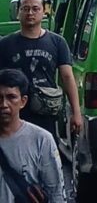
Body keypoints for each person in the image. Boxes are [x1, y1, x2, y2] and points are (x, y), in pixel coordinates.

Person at [0, 0, 82, 140]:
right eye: (25, 9)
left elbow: (67, 77)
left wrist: (76, 113)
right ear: (18, 13)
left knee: (47, 151)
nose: (30, 13)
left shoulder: (57, 42)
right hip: (14, 113)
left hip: (46, 112)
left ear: (44, 12)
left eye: (35, 9)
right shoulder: (5, 44)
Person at [0, 68, 66, 203]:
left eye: (11, 97)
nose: (4, 104)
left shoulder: (42, 140)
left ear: (23, 101)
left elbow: (56, 192)